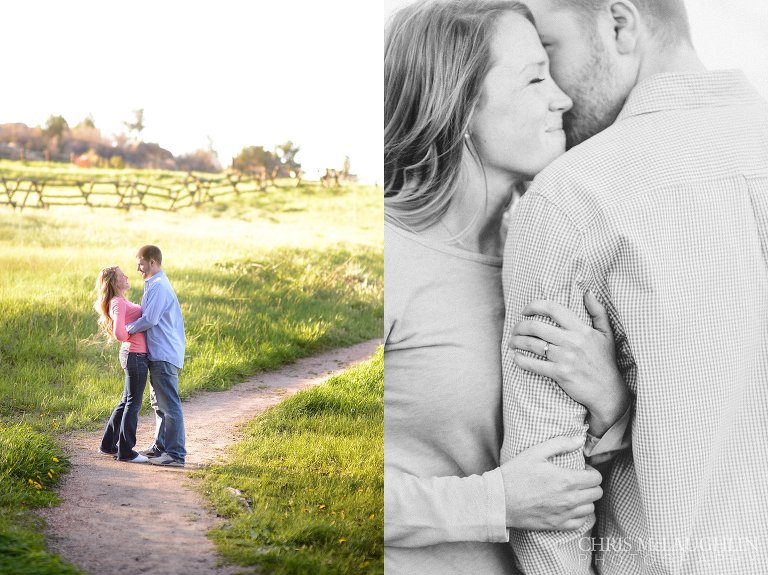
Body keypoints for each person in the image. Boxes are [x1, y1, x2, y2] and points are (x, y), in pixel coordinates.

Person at [500, 1, 768, 573]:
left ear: (619, 24)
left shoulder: (569, 199)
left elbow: (550, 498)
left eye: (549, 51)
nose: (556, 94)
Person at [384, 1, 632, 573]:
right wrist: (493, 503)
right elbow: (314, 482)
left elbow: (556, 476)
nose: (562, 99)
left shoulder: (543, 257)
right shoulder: (385, 258)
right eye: (535, 78)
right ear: (459, 102)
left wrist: (610, 403)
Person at [125, 245, 187, 467]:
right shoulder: (154, 284)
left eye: (141, 264)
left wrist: (128, 328)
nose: (138, 269)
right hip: (158, 352)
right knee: (159, 404)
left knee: (169, 405)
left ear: (152, 262)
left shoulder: (159, 285)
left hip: (164, 352)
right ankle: (160, 448)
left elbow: (150, 319)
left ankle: (176, 454)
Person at [94, 266, 149, 464]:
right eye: (121, 275)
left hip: (133, 354)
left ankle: (108, 445)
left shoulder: (120, 300)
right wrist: (131, 335)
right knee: (133, 403)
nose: (126, 276)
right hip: (135, 355)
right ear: (114, 282)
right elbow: (119, 333)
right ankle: (126, 452)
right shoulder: (117, 302)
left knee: (126, 401)